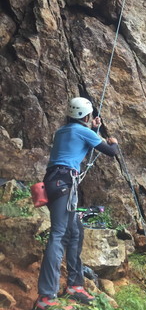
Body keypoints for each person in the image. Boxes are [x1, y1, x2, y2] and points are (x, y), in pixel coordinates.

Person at [33, 97, 119, 310]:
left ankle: (75, 285)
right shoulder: (83, 131)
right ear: (87, 116)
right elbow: (111, 152)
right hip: (65, 183)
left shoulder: (62, 131)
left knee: (75, 232)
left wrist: (95, 130)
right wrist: (113, 141)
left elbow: (80, 146)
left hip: (52, 182)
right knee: (58, 234)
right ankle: (46, 297)